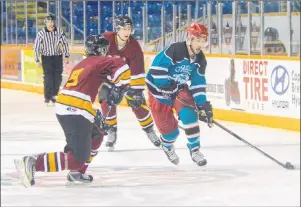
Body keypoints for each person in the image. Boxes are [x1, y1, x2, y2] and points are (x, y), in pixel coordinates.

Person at [14, 34, 131, 187]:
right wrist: (120, 88)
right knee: (77, 158)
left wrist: (95, 113)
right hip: (75, 109)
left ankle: (77, 172)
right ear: (100, 49)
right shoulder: (100, 60)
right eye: (105, 49)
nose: (106, 51)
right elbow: (122, 66)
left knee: (97, 135)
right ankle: (33, 162)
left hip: (71, 106)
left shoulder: (84, 63)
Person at [145, 23, 213, 167]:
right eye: (198, 40)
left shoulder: (200, 60)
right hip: (158, 91)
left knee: (190, 115)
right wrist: (164, 86)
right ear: (190, 38)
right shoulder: (175, 49)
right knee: (171, 133)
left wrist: (202, 103)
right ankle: (167, 145)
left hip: (179, 88)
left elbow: (197, 82)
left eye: (204, 40)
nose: (201, 44)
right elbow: (157, 67)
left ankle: (195, 150)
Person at [101, 15, 160, 151]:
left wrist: (137, 91)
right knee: (106, 100)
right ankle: (111, 131)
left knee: (138, 104)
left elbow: (138, 70)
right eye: (125, 28)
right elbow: (96, 57)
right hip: (109, 80)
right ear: (117, 29)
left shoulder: (134, 46)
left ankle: (149, 130)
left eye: (129, 28)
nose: (128, 31)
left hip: (127, 81)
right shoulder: (106, 39)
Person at [34, 14, 70, 105]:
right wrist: (37, 60)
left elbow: (65, 44)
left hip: (57, 57)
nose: (50, 23)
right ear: (45, 23)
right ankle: (47, 97)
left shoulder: (59, 32)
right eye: (48, 22)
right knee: (48, 78)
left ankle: (54, 95)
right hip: (46, 58)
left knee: (58, 77)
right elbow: (37, 47)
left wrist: (66, 55)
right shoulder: (41, 33)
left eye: (52, 21)